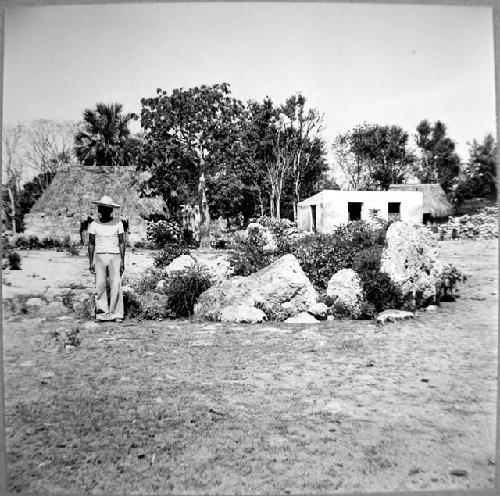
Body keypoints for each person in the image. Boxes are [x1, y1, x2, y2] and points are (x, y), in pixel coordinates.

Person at [88, 195, 125, 322]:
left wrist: (122, 261)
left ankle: (116, 313)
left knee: (116, 284)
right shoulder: (94, 224)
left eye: (107, 209)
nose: (104, 211)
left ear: (111, 210)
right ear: (99, 209)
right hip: (99, 256)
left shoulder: (118, 223)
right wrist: (91, 261)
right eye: (102, 208)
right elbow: (91, 243)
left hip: (114, 256)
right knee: (100, 285)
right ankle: (102, 313)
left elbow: (121, 243)